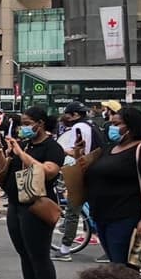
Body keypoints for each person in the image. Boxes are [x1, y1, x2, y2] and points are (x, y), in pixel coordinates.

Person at [0, 108, 66, 279]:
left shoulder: (52, 147)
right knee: (24, 253)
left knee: (39, 255)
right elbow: (4, 172)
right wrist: (2, 153)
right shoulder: (25, 145)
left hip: (37, 205)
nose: (23, 127)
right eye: (22, 123)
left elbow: (48, 171)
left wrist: (20, 153)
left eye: (27, 123)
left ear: (41, 123)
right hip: (16, 204)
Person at [77, 107, 141, 265]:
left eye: (116, 124)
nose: (111, 128)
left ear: (131, 126)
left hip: (126, 217)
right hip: (102, 216)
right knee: (115, 263)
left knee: (122, 267)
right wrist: (79, 155)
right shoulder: (110, 149)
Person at [55, 102, 98, 252]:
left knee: (73, 210)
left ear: (75, 115)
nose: (64, 117)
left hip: (83, 170)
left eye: (67, 114)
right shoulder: (93, 126)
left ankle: (65, 249)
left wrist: (62, 151)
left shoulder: (77, 128)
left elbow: (78, 151)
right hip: (96, 170)